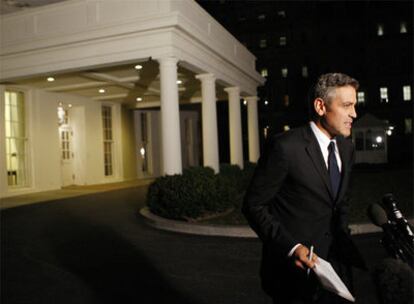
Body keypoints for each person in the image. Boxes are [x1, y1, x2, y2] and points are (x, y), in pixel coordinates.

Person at [243, 73, 366, 304]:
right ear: (321, 106)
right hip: (293, 275)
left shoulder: (347, 148)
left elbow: (341, 202)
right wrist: (292, 247)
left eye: (355, 105)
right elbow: (254, 205)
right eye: (347, 105)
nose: (354, 114)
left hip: (336, 271)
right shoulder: (285, 147)